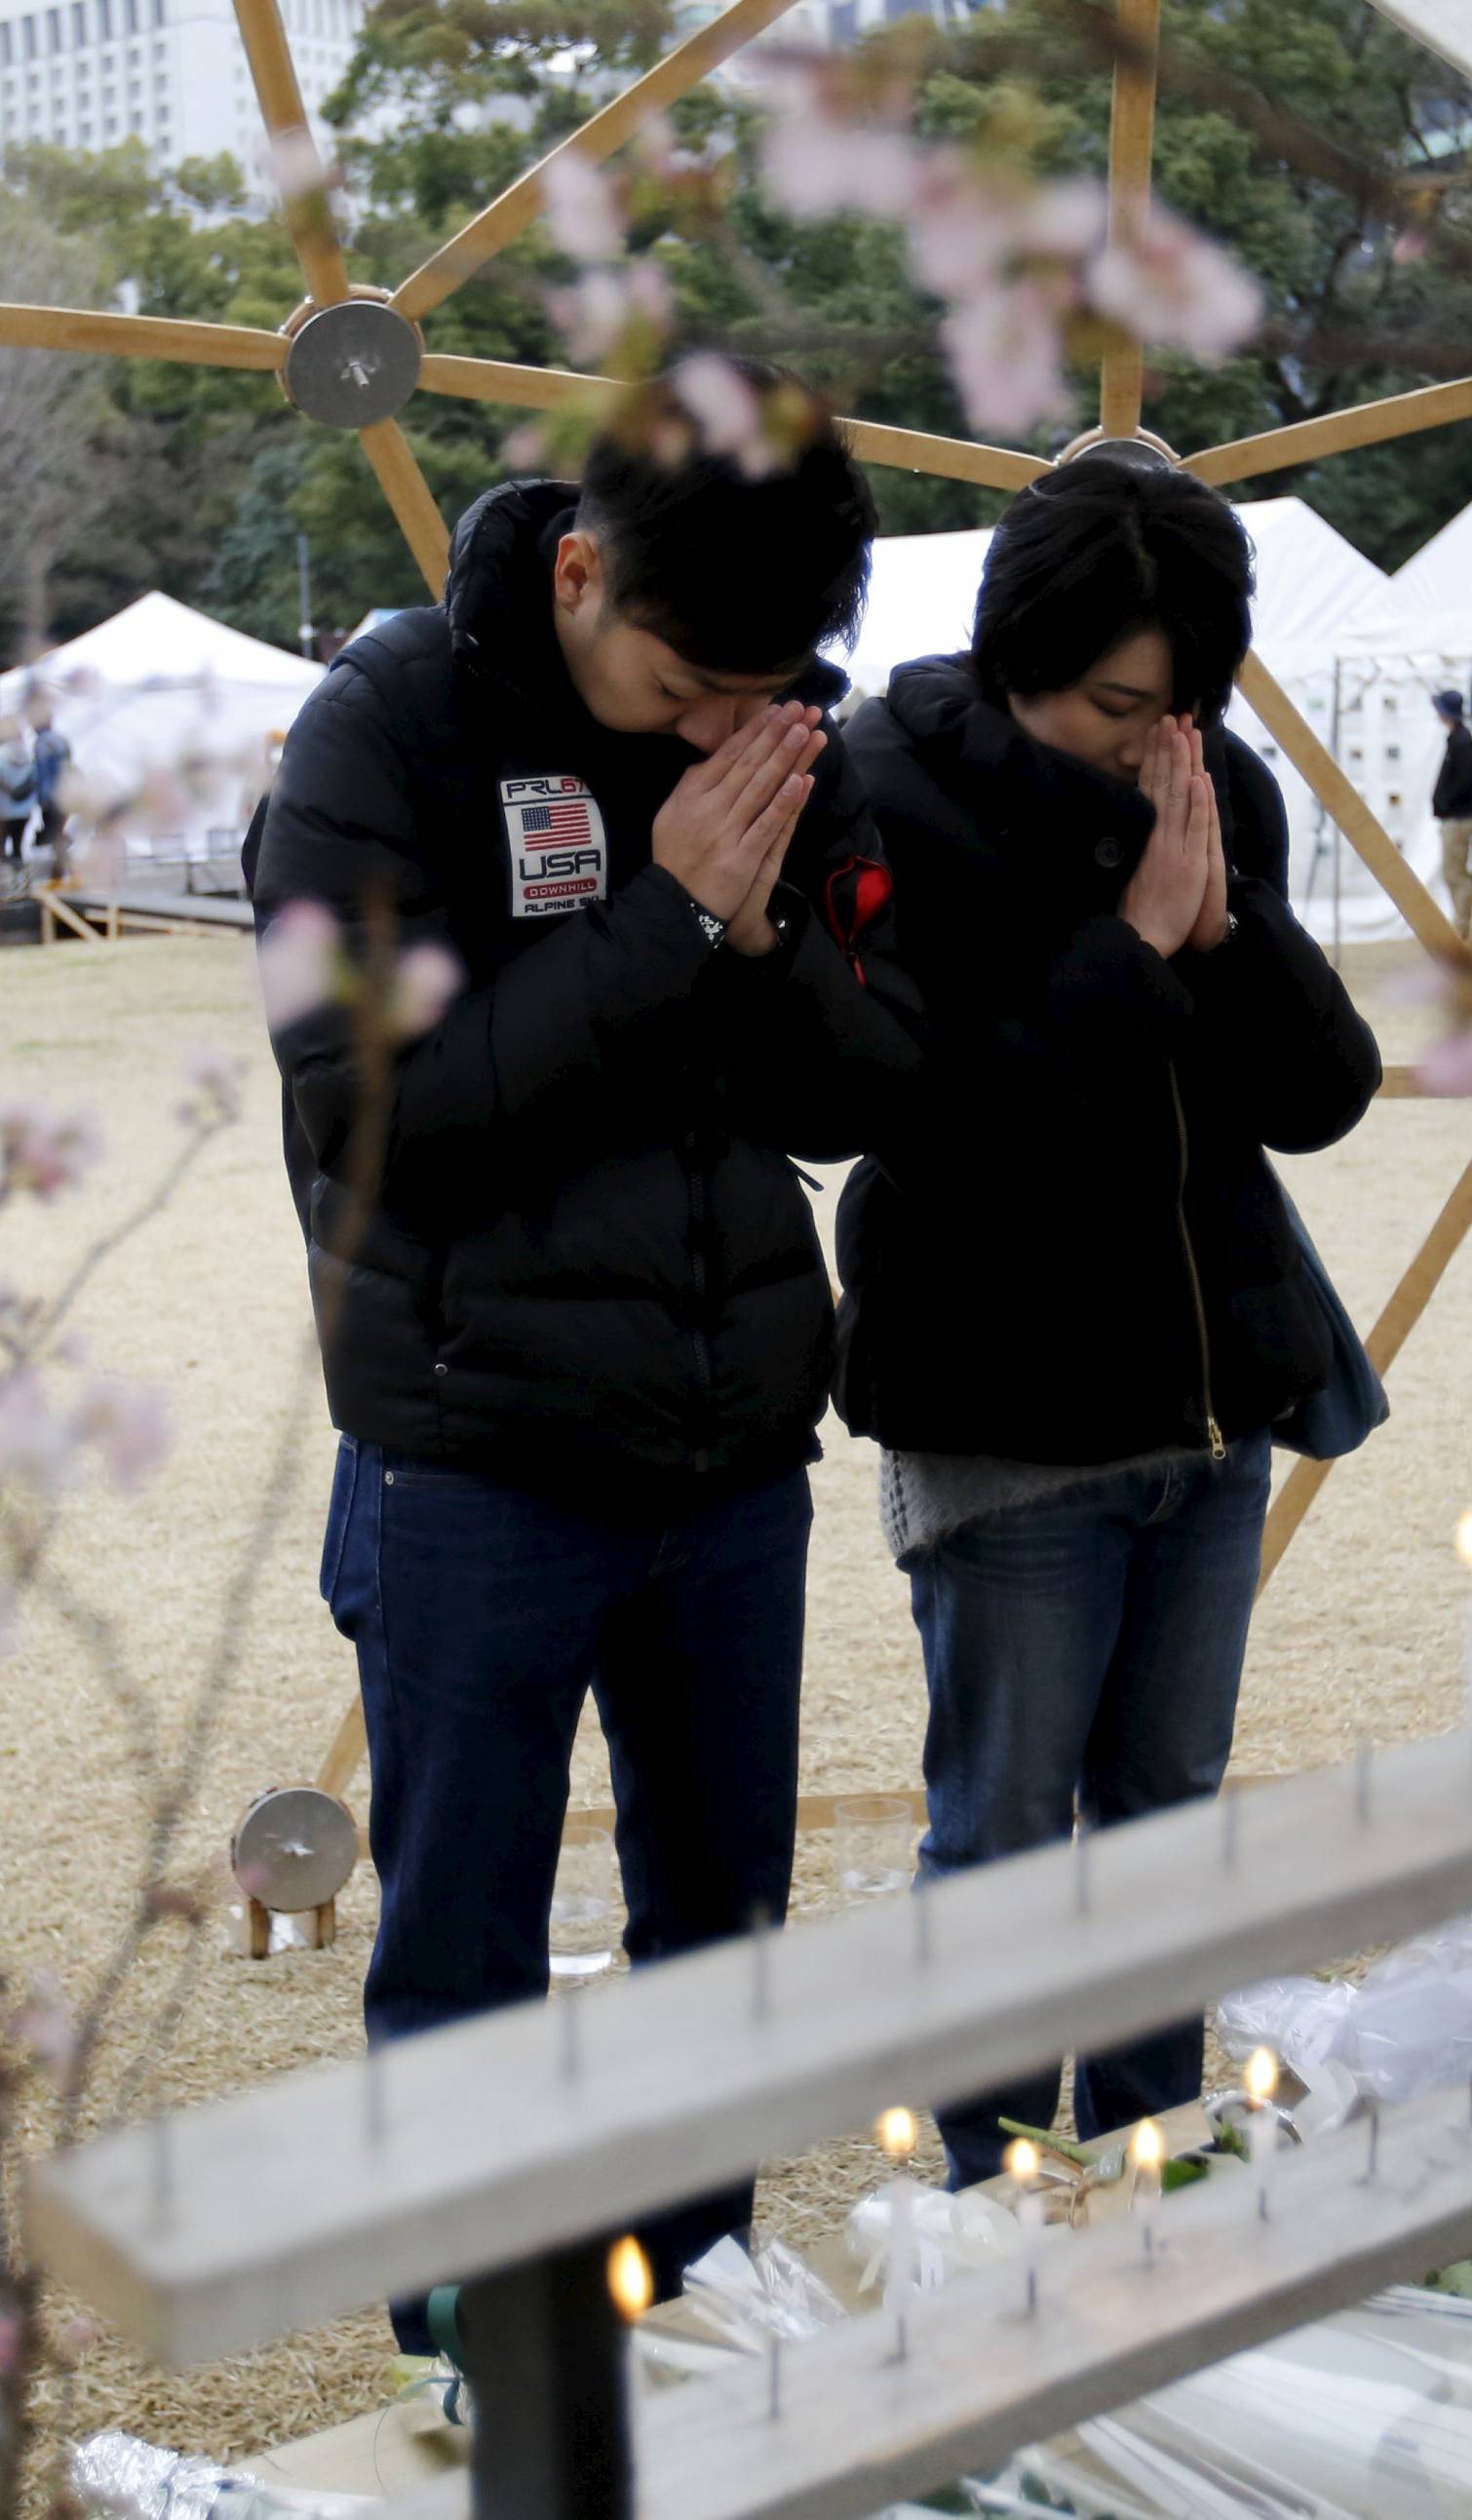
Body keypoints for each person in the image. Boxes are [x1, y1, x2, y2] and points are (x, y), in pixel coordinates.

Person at [246, 367, 920, 2327]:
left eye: (772, 684)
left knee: (721, 1924)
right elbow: (372, 1113)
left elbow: (867, 1075)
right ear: (582, 568)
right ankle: (470, 2329)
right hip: (478, 1443)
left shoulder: (780, 720)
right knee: (460, 1925)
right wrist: (668, 910)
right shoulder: (383, 728)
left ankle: (698, 2282)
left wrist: (764, 925)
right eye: (694, 678)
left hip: (728, 1440)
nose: (732, 723)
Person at [833, 447, 1381, 2188]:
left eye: (1189, 703)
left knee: (1163, 1833)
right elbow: (923, 1130)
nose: (1159, 741)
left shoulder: (1212, 782)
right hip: (1007, 1417)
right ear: (1013, 654)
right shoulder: (885, 795)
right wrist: (1133, 951)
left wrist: (1229, 939)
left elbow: (1321, 1095)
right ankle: (987, 2210)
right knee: (1000, 1841)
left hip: (1206, 1413)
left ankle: (1160, 2184)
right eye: (1117, 704)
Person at [1431, 688, 1472, 940]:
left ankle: (1461, 926)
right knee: (1453, 872)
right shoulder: (1458, 739)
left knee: (1455, 873)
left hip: (1459, 818)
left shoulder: (1461, 741)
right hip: (1456, 816)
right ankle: (1460, 923)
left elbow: (1468, 780)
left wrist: (1446, 801)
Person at [26, 694, 70, 877]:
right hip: (66, 793)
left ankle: (60, 871)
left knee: (54, 834)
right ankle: (62, 870)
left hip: (51, 796)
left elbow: (42, 773)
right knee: (58, 831)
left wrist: (42, 799)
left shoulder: (42, 743)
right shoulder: (61, 740)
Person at [0, 717, 35, 868]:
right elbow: (35, 780)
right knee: (18, 849)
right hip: (25, 810)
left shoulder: (1, 755)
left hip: (3, 811)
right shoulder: (28, 755)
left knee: (1, 852)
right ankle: (21, 881)